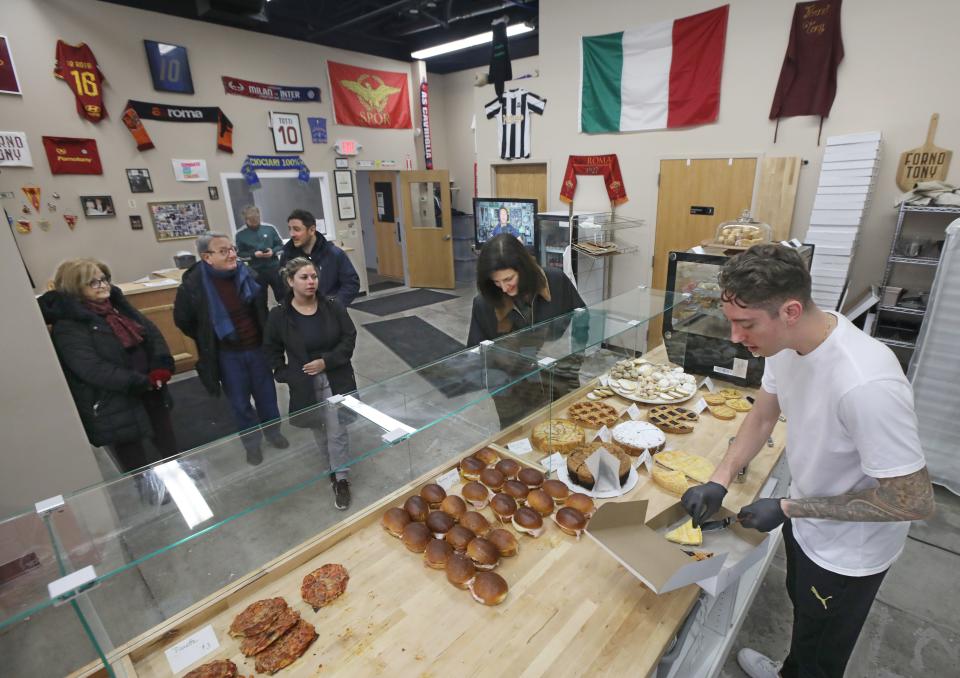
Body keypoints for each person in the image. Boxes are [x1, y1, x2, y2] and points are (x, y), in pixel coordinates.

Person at [680, 244, 934, 678]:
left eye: (746, 324)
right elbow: (762, 417)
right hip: (809, 521)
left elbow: (913, 501)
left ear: (791, 311)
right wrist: (719, 480)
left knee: (823, 653)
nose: (735, 337)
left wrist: (789, 508)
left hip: (849, 553)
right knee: (804, 616)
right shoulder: (783, 345)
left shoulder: (866, 383)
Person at [38, 259, 178, 501]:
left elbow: (151, 333)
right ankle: (150, 490)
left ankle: (179, 475)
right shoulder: (68, 325)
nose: (103, 286)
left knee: (165, 436)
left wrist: (160, 366)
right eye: (93, 282)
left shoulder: (118, 306)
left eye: (104, 279)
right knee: (131, 448)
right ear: (74, 287)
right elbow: (91, 368)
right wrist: (139, 381)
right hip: (115, 398)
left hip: (150, 386)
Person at [174, 232, 288, 465]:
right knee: (240, 404)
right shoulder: (193, 285)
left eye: (233, 249)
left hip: (256, 349)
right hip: (226, 355)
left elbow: (260, 312)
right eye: (224, 251)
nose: (233, 254)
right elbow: (183, 320)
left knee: (267, 397)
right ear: (207, 257)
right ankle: (252, 445)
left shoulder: (249, 275)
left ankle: (273, 433)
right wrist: (207, 336)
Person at [264, 257, 358, 510]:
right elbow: (271, 349)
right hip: (304, 383)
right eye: (304, 277)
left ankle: (341, 478)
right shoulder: (279, 316)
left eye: (314, 277)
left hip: (336, 377)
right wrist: (285, 374)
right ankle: (331, 466)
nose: (310, 282)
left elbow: (349, 338)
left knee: (337, 429)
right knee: (318, 427)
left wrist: (326, 362)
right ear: (290, 281)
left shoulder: (333, 306)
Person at [467, 233, 586, 427]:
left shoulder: (555, 281)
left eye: (508, 279)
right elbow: (476, 354)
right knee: (520, 443)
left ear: (523, 268)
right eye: (496, 282)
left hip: (558, 381)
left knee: (567, 433)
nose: (504, 288)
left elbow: (581, 321)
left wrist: (572, 366)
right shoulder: (484, 303)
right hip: (512, 394)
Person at [280, 209, 360, 308]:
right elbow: (282, 287)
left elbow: (351, 284)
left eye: (296, 229)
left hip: (331, 316)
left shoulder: (334, 254)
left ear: (312, 230)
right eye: (290, 229)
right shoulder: (287, 256)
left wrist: (334, 306)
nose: (292, 234)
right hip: (299, 316)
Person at [234, 205, 285, 305]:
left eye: (257, 219)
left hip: (274, 268)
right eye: (252, 220)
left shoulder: (269, 229)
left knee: (283, 297)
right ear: (246, 220)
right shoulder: (240, 235)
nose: (255, 222)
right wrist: (253, 255)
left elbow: (281, 246)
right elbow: (239, 254)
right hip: (256, 271)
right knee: (260, 302)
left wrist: (273, 252)